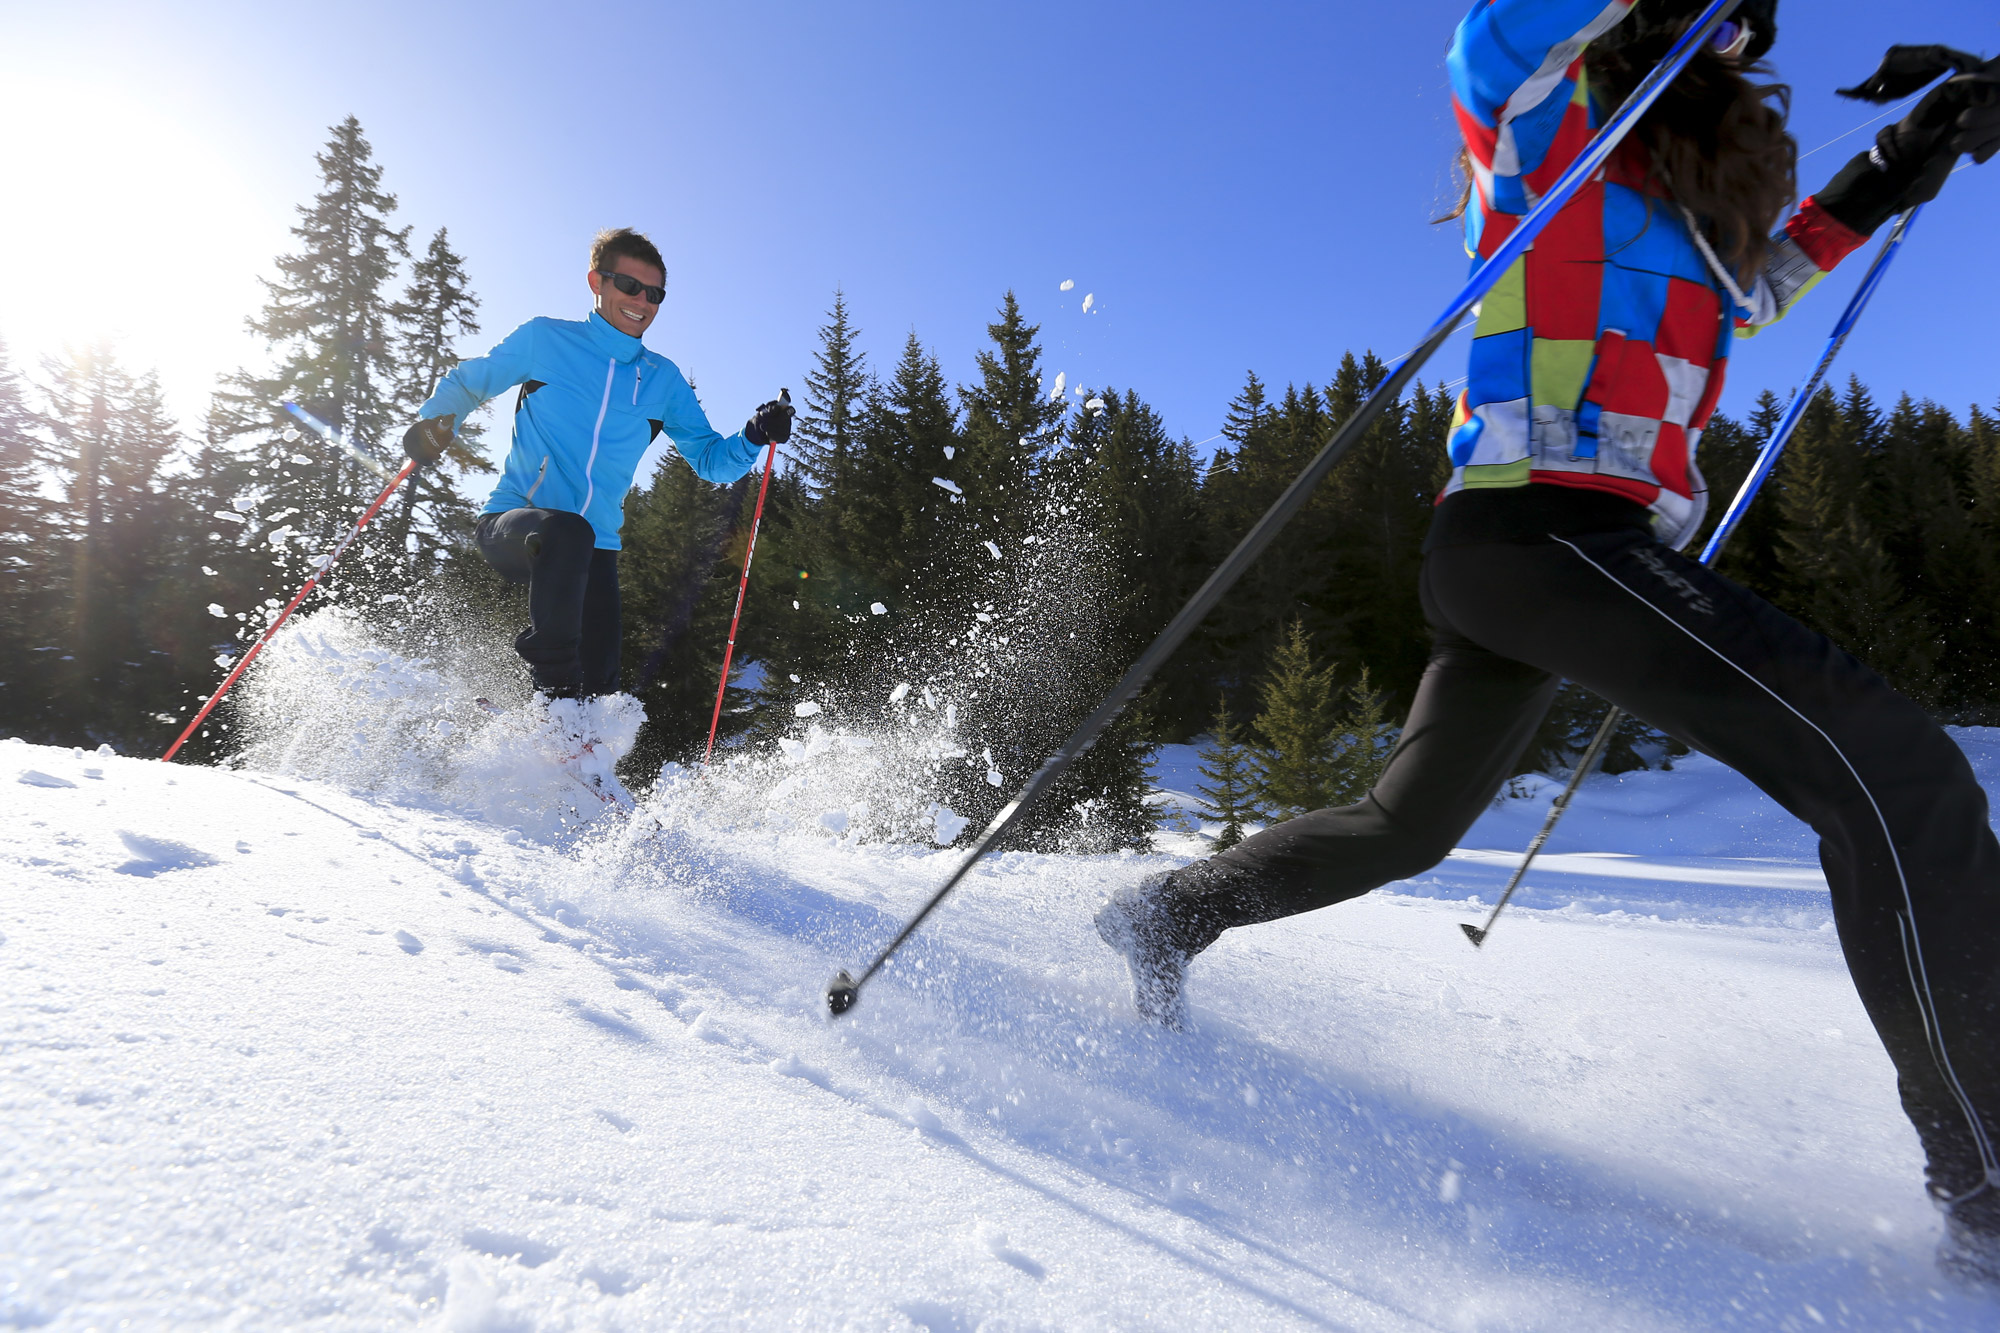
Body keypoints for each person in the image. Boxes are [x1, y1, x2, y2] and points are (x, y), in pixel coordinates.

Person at [1096, 0, 2000, 1286]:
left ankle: (1166, 911)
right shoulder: (1547, 153)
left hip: (1553, 563)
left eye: (1737, 47)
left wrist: (1916, 146)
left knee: (1401, 825)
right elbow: (1490, 42)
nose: (1721, 63)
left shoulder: (1702, 237)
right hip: (1537, 535)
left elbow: (1779, 275)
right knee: (1897, 775)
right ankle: (1987, 1174)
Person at [400, 227, 794, 700]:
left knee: (602, 686)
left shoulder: (662, 380)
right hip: (515, 525)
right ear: (597, 282)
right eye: (629, 286)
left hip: (596, 549)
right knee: (567, 535)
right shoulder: (546, 339)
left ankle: (574, 756)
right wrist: (435, 424)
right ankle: (555, 698)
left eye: (655, 294)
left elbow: (712, 461)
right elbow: (470, 382)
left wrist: (754, 434)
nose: (642, 301)